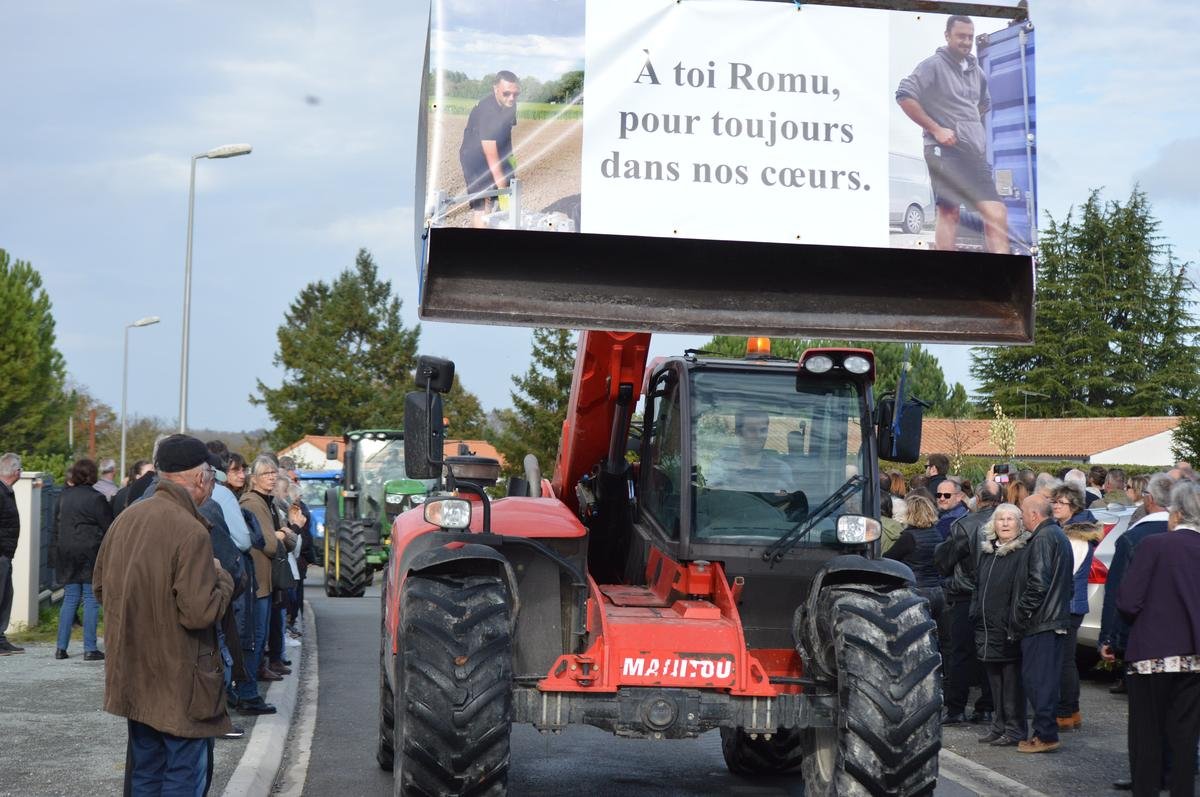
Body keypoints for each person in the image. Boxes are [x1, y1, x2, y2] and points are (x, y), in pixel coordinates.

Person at [93, 435, 234, 795]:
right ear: (201, 478)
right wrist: (222, 579)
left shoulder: (126, 519)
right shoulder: (191, 530)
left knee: (145, 771)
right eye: (213, 480)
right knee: (182, 773)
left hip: (134, 670)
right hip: (180, 677)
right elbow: (200, 613)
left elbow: (99, 589)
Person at [896, 15, 1009, 254]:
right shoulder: (933, 65)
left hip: (973, 154)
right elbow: (904, 95)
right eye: (961, 36)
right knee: (950, 212)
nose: (966, 42)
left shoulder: (977, 72)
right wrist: (937, 128)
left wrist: (969, 129)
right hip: (943, 151)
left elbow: (982, 105)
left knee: (996, 212)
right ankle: (942, 275)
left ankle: (1001, 278)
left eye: (970, 36)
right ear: (948, 36)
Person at [1116, 480, 1200, 797]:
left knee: (1146, 735)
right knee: (1185, 736)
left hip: (1151, 654)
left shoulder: (1154, 546)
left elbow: (1128, 602)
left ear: (1175, 514)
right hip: (1193, 658)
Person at [935, 479, 1002, 725]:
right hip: (995, 597)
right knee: (989, 652)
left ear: (978, 498)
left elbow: (944, 560)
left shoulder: (964, 525)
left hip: (965, 594)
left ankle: (956, 708)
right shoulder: (1011, 523)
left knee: (961, 654)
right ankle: (985, 707)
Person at [1011, 495, 1073, 753]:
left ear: (1034, 514)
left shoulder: (1044, 538)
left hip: (1041, 621)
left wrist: (1020, 614)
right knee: (1043, 679)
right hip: (1051, 618)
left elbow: (1038, 584)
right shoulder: (1057, 535)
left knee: (1038, 681)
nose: (1021, 519)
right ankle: (1045, 732)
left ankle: (1045, 735)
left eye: (1023, 513)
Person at [971, 502, 1031, 746]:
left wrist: (1014, 620)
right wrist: (975, 612)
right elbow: (978, 585)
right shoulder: (987, 552)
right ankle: (998, 725)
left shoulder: (1022, 552)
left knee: (1012, 682)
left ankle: (1015, 729)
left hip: (1008, 626)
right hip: (986, 626)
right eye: (1000, 519)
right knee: (994, 681)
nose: (1005, 523)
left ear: (1019, 523)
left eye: (1010, 519)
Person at [240, 455, 296, 683]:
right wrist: (282, 535)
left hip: (269, 579)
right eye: (266, 473)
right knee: (258, 634)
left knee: (262, 633)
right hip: (260, 580)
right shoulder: (253, 503)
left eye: (274, 473)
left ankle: (254, 680)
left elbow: (289, 541)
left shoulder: (269, 502)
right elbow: (272, 545)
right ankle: (249, 689)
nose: (273, 477)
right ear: (254, 479)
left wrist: (282, 534)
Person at [51, 458, 113, 660]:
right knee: (90, 600)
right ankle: (89, 648)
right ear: (93, 475)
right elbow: (109, 527)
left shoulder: (63, 497)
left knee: (69, 598)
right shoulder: (97, 498)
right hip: (89, 553)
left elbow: (56, 527)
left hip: (66, 552)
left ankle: (61, 648)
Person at [459, 70, 520, 228]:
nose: (512, 98)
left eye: (515, 94)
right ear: (495, 89)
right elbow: (491, 155)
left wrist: (510, 163)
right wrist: (503, 191)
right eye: (507, 93)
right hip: (475, 159)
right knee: (483, 206)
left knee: (502, 198)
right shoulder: (488, 112)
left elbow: (506, 136)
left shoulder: (510, 105)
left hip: (496, 152)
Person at [884, 493, 945, 621]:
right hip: (937, 590)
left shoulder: (909, 537)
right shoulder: (937, 533)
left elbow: (888, 559)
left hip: (916, 591)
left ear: (909, 513)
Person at [705, 409, 793, 493]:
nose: (759, 435)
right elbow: (714, 499)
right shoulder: (722, 467)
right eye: (752, 430)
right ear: (738, 432)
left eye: (763, 430)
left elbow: (788, 501)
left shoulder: (780, 469)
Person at [0, 452, 23, 655]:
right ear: (16, 471)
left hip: (6, 554)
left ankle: (1, 638)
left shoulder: (6, 491)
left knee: (6, 596)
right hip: (1, 554)